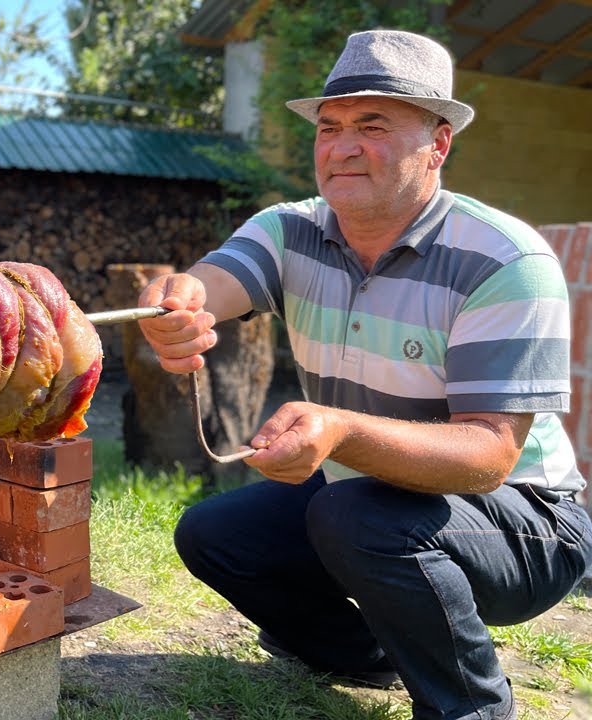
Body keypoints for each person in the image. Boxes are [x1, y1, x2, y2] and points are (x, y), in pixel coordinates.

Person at [137, 29, 592, 720]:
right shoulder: (290, 230)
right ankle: (363, 656)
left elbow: (489, 454)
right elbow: (213, 283)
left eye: (372, 126)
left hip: (531, 520)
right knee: (213, 535)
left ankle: (470, 707)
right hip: (371, 491)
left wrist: (339, 430)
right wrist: (181, 305)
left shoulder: (504, 260)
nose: (342, 146)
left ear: (438, 144)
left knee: (353, 515)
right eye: (330, 126)